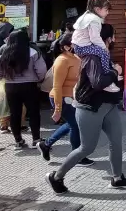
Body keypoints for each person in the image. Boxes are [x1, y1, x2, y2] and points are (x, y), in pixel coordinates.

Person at [46, 24, 126, 194]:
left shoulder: (102, 53)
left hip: (108, 105)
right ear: (107, 38)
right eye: (113, 36)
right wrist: (115, 72)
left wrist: (114, 77)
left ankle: (117, 178)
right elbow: (97, 82)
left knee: (116, 142)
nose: (115, 39)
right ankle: (56, 176)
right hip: (90, 107)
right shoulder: (93, 56)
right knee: (87, 148)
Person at [37, 33, 94, 166]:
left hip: (73, 97)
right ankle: (77, 156)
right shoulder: (62, 61)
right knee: (75, 125)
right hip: (62, 98)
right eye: (76, 43)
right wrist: (57, 109)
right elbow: (57, 87)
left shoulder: (76, 57)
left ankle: (46, 144)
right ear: (67, 47)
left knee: (73, 124)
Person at [0, 30, 47, 149]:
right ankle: (36, 139)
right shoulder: (33, 52)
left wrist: (5, 77)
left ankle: (18, 140)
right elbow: (42, 71)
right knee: (34, 113)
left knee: (14, 113)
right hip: (30, 86)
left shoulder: (4, 54)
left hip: (10, 87)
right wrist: (38, 80)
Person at [72, 0, 120, 93]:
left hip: (80, 46)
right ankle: (108, 80)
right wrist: (104, 47)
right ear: (98, 9)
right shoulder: (94, 20)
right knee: (104, 53)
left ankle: (111, 76)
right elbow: (95, 38)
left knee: (104, 54)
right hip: (83, 47)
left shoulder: (88, 16)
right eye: (106, 10)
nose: (108, 13)